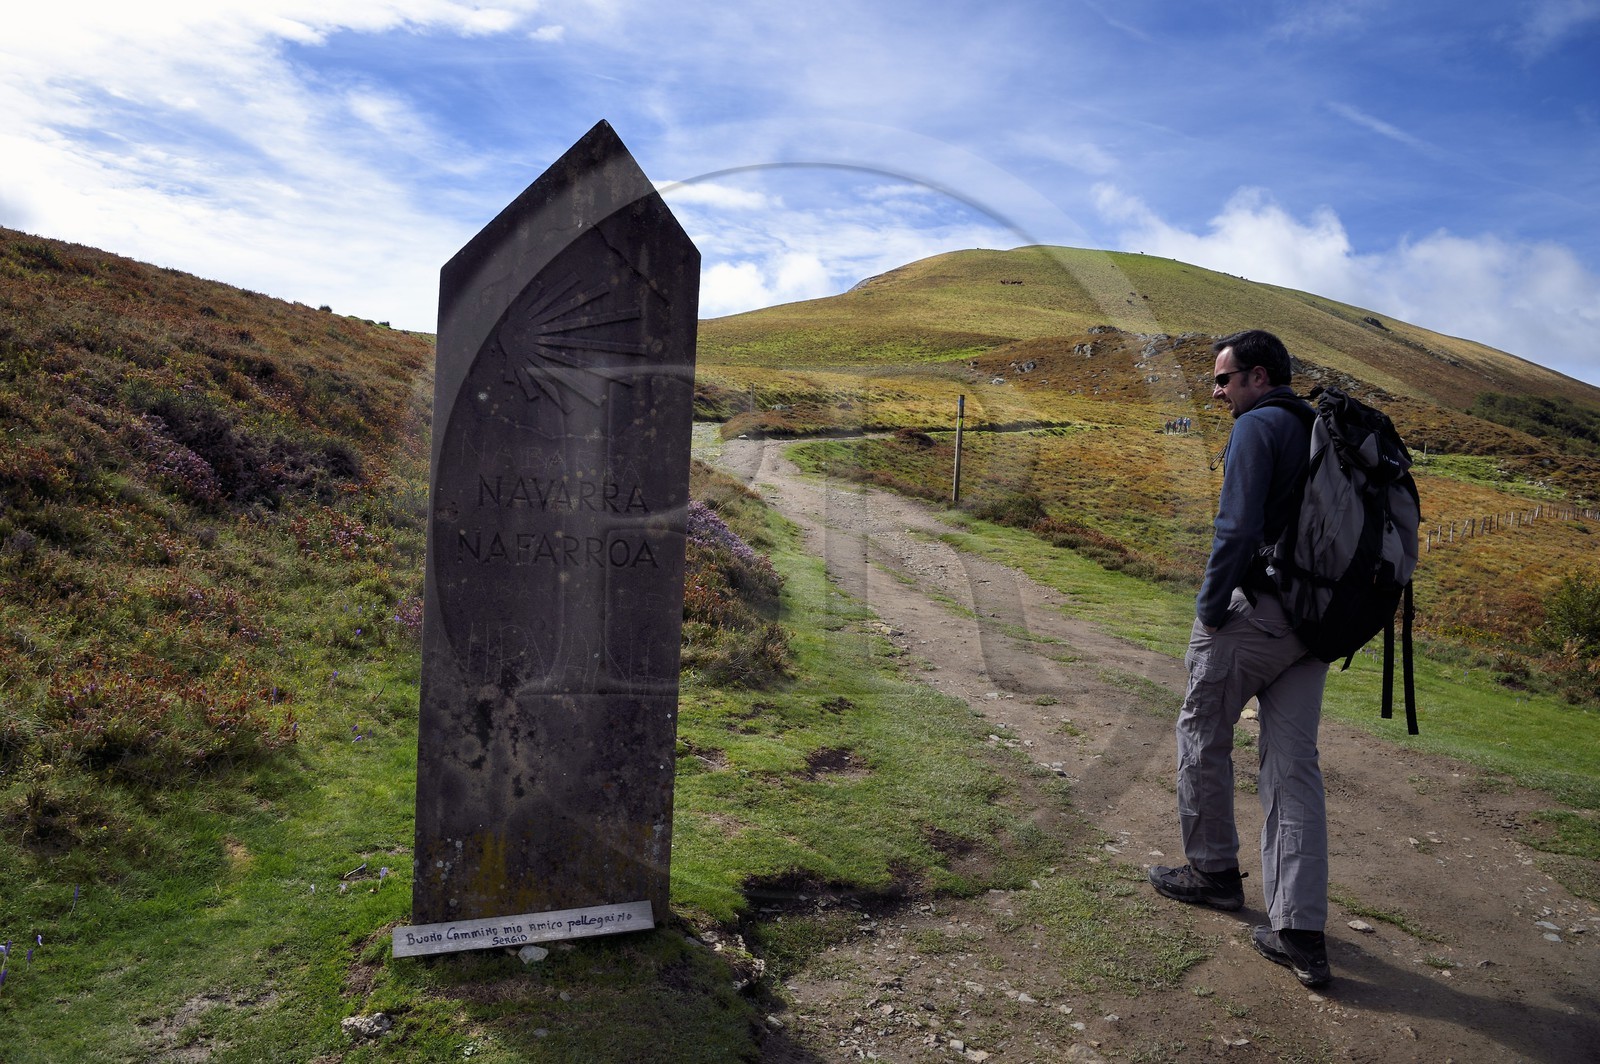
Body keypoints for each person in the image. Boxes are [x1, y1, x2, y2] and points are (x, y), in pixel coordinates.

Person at [1147, 329, 1333, 988]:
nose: (1216, 392)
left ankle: (1213, 873)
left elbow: (1236, 527)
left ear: (1258, 377)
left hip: (1256, 611)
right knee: (1293, 767)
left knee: (1202, 733)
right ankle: (1300, 932)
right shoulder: (1320, 431)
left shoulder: (1259, 426)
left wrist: (1208, 607)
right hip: (1315, 627)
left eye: (1223, 380)